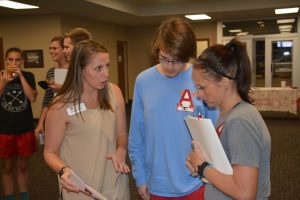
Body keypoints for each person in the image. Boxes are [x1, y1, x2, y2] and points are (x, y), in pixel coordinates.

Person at [128, 17, 219, 200]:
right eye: (164, 58)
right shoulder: (143, 81)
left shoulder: (200, 80)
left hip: (196, 182)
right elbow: (136, 136)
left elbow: (216, 133)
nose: (170, 66)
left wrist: (209, 170)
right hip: (156, 184)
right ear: (157, 50)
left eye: (176, 61)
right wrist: (140, 177)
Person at [44, 39, 130, 200]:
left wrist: (121, 150)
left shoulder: (114, 92)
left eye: (107, 66)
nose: (106, 74)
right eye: (98, 68)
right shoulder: (60, 105)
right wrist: (63, 170)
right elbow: (50, 152)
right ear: (80, 69)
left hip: (114, 184)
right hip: (80, 189)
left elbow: (122, 135)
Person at [186, 38, 271, 200]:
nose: (198, 94)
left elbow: (245, 193)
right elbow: (227, 170)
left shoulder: (240, 121)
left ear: (225, 82)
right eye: (196, 87)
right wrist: (202, 166)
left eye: (202, 87)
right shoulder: (228, 115)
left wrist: (203, 167)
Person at [0, 47, 38, 200]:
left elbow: (32, 98)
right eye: (10, 59)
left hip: (24, 128)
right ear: (6, 60)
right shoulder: (0, 76)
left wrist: (21, 76)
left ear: (22, 61)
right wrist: (3, 82)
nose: (14, 63)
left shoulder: (28, 76)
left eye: (17, 60)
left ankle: (24, 197)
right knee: (7, 167)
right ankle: (9, 197)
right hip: (4, 129)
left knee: (22, 167)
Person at [34, 36, 69, 136]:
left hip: (73, 115)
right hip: (55, 115)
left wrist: (62, 89)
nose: (51, 51)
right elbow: (47, 98)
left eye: (54, 48)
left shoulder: (75, 70)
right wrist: (40, 123)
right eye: (50, 48)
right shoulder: (51, 72)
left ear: (64, 49)